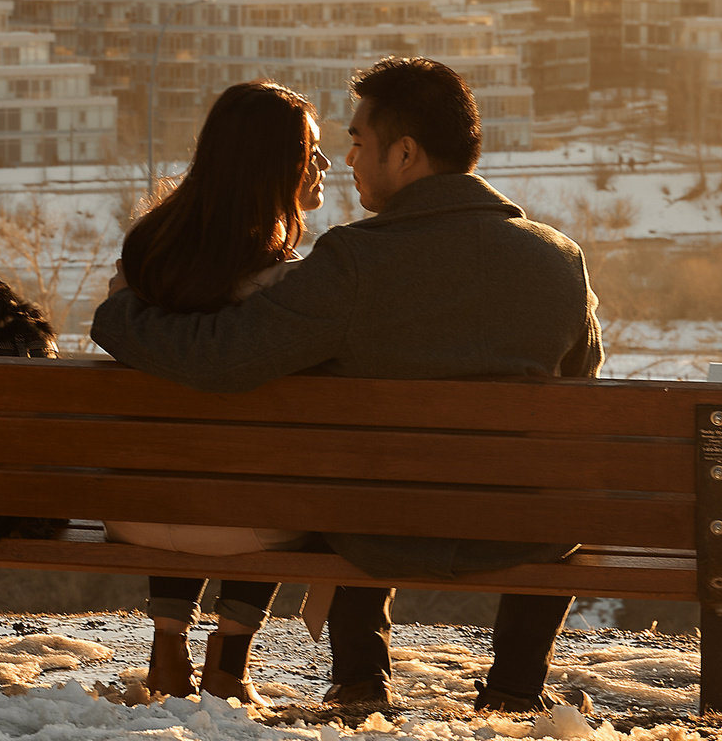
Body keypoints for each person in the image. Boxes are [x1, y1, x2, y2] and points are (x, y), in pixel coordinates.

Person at [90, 57, 604, 717]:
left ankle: (362, 677)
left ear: (407, 153)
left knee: (355, 489)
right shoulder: (559, 260)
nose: (349, 159)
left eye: (359, 142)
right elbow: (582, 385)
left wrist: (120, 314)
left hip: (380, 529)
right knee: (544, 495)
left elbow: (222, 358)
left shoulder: (351, 264)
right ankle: (512, 688)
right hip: (522, 530)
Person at [107, 81, 329, 703]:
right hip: (250, 527)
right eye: (312, 153)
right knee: (269, 471)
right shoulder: (291, 287)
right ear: (273, 165)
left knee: (174, 449)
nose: (323, 167)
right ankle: (229, 652)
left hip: (135, 515)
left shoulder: (143, 263)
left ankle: (168, 639)